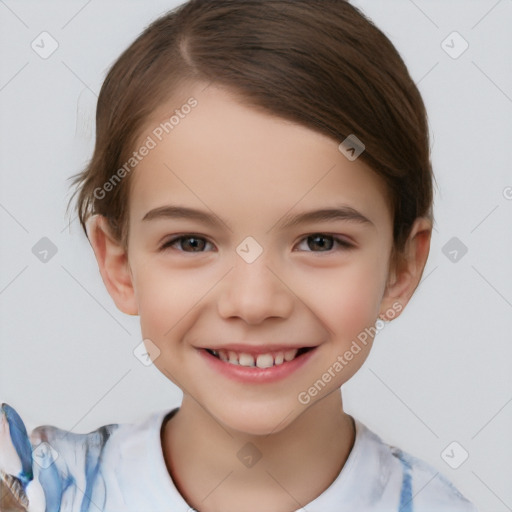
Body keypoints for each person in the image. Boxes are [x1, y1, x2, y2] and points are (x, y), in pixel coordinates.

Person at [1, 1, 479, 510]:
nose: (253, 303)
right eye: (191, 243)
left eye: (320, 242)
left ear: (401, 267)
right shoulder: (36, 493)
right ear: (118, 265)